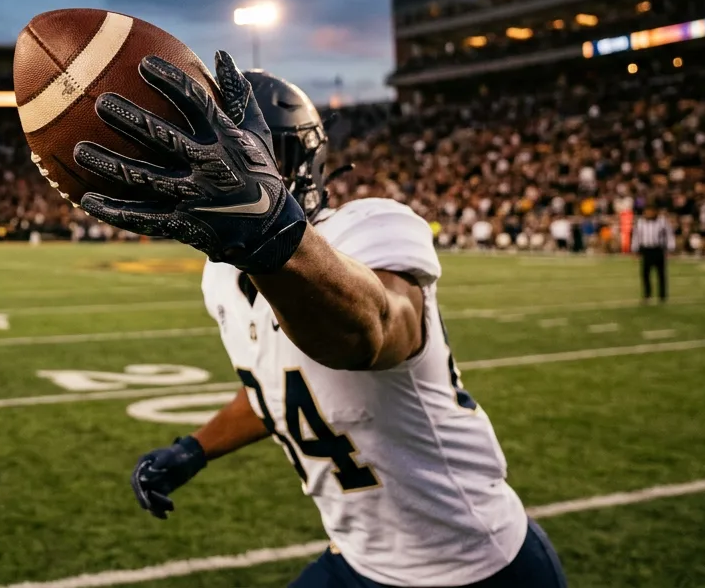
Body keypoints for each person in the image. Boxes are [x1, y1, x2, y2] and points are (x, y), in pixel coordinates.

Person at [71, 53, 566, 587]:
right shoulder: (222, 279)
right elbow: (279, 392)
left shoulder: (368, 229)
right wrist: (194, 448)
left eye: (242, 158)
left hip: (475, 563)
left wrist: (269, 234)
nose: (207, 173)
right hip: (358, 559)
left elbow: (370, 332)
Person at [632, 204, 674, 303]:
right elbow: (636, 236)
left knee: (661, 274)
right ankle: (647, 295)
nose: (649, 213)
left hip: (658, 249)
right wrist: (635, 249)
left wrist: (670, 248)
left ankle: (662, 296)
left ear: (655, 212)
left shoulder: (662, 221)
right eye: (647, 211)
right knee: (645, 274)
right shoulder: (640, 222)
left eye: (651, 211)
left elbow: (669, 234)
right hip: (646, 250)